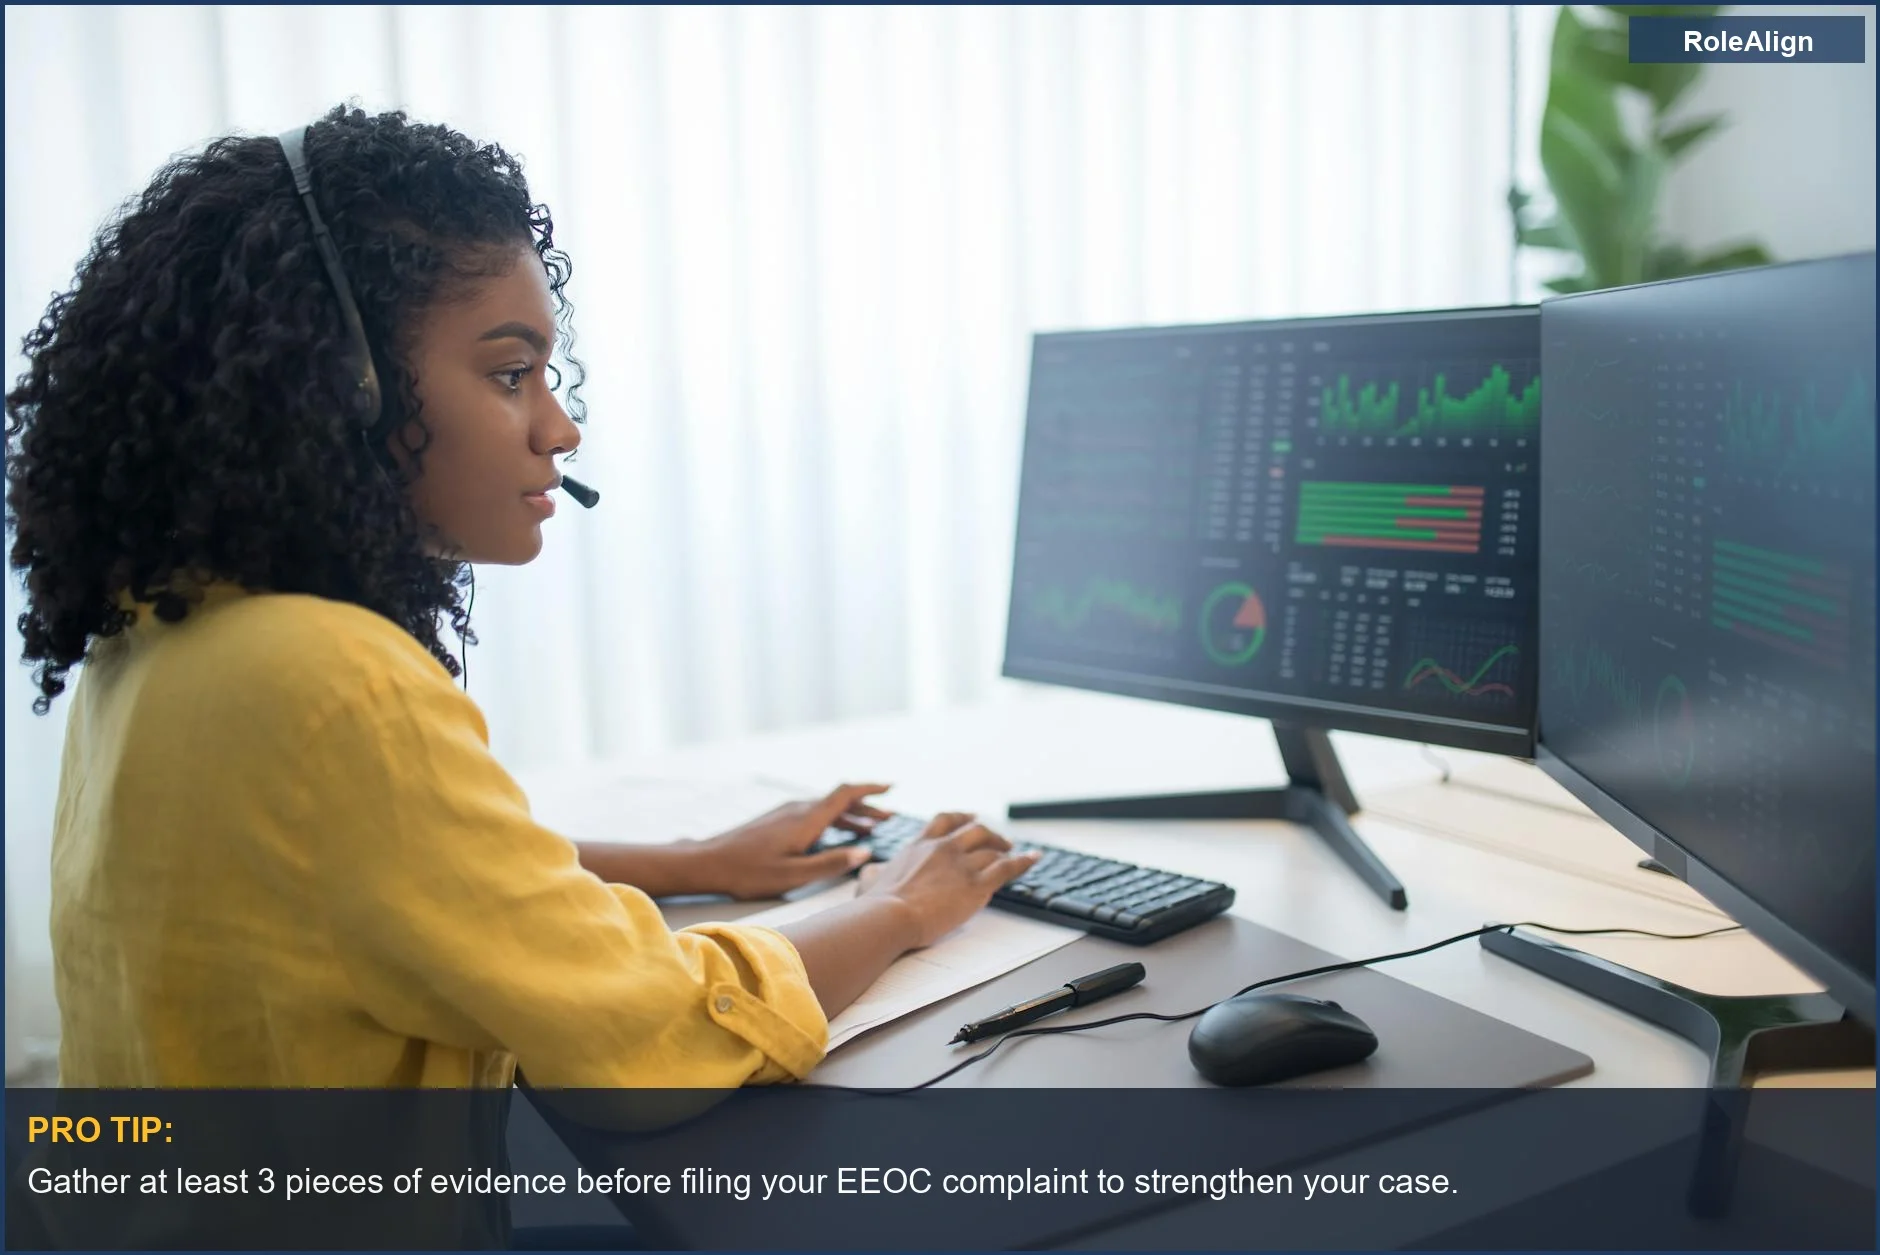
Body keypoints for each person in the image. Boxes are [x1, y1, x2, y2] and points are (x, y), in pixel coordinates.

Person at [3, 103, 1039, 1101]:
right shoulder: (329, 677)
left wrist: (698, 863)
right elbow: (658, 1036)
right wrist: (899, 906)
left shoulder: (172, 623)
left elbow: (398, 881)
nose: (560, 429)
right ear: (344, 388)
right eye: (509, 375)